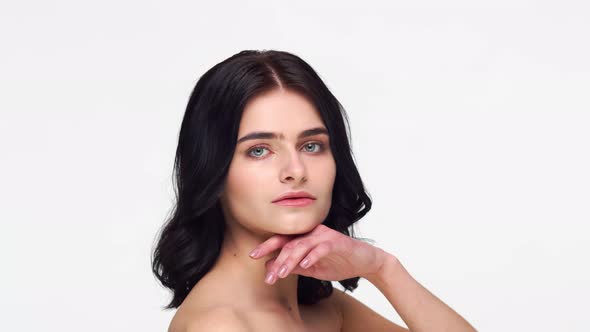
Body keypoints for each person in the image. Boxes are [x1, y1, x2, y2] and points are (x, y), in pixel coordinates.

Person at [151, 49, 477, 332]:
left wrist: (382, 268)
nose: (295, 171)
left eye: (311, 145)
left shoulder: (325, 310)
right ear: (213, 170)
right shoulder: (220, 325)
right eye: (259, 150)